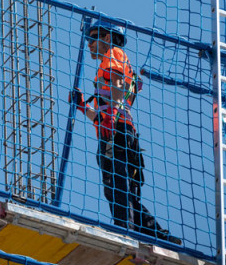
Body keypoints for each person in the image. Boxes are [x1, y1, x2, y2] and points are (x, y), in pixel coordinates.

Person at [71, 20, 181, 245]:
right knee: (122, 189)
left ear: (107, 38)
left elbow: (118, 90)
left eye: (93, 37)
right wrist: (84, 107)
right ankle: (155, 233)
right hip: (117, 129)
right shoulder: (110, 62)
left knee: (117, 186)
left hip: (117, 131)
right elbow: (108, 107)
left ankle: (125, 232)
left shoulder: (114, 54)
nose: (89, 44)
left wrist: (110, 116)